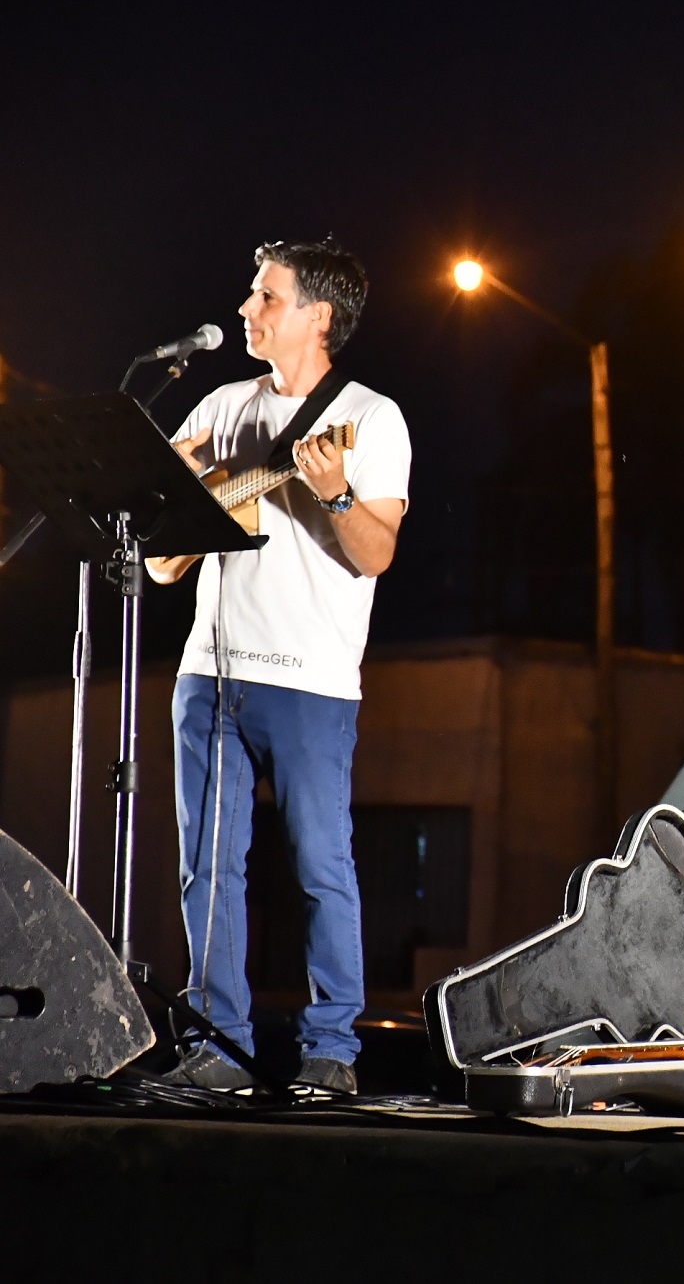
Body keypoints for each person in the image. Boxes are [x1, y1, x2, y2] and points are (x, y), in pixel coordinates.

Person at [148, 239, 410, 1095]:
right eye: (251, 294)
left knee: (320, 866)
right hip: (210, 671)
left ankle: (331, 1048)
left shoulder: (371, 417)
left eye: (266, 296)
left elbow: (375, 554)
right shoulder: (222, 406)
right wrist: (182, 489)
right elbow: (161, 565)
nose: (246, 309)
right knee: (208, 868)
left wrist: (334, 492)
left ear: (317, 315)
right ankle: (216, 1047)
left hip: (310, 680)